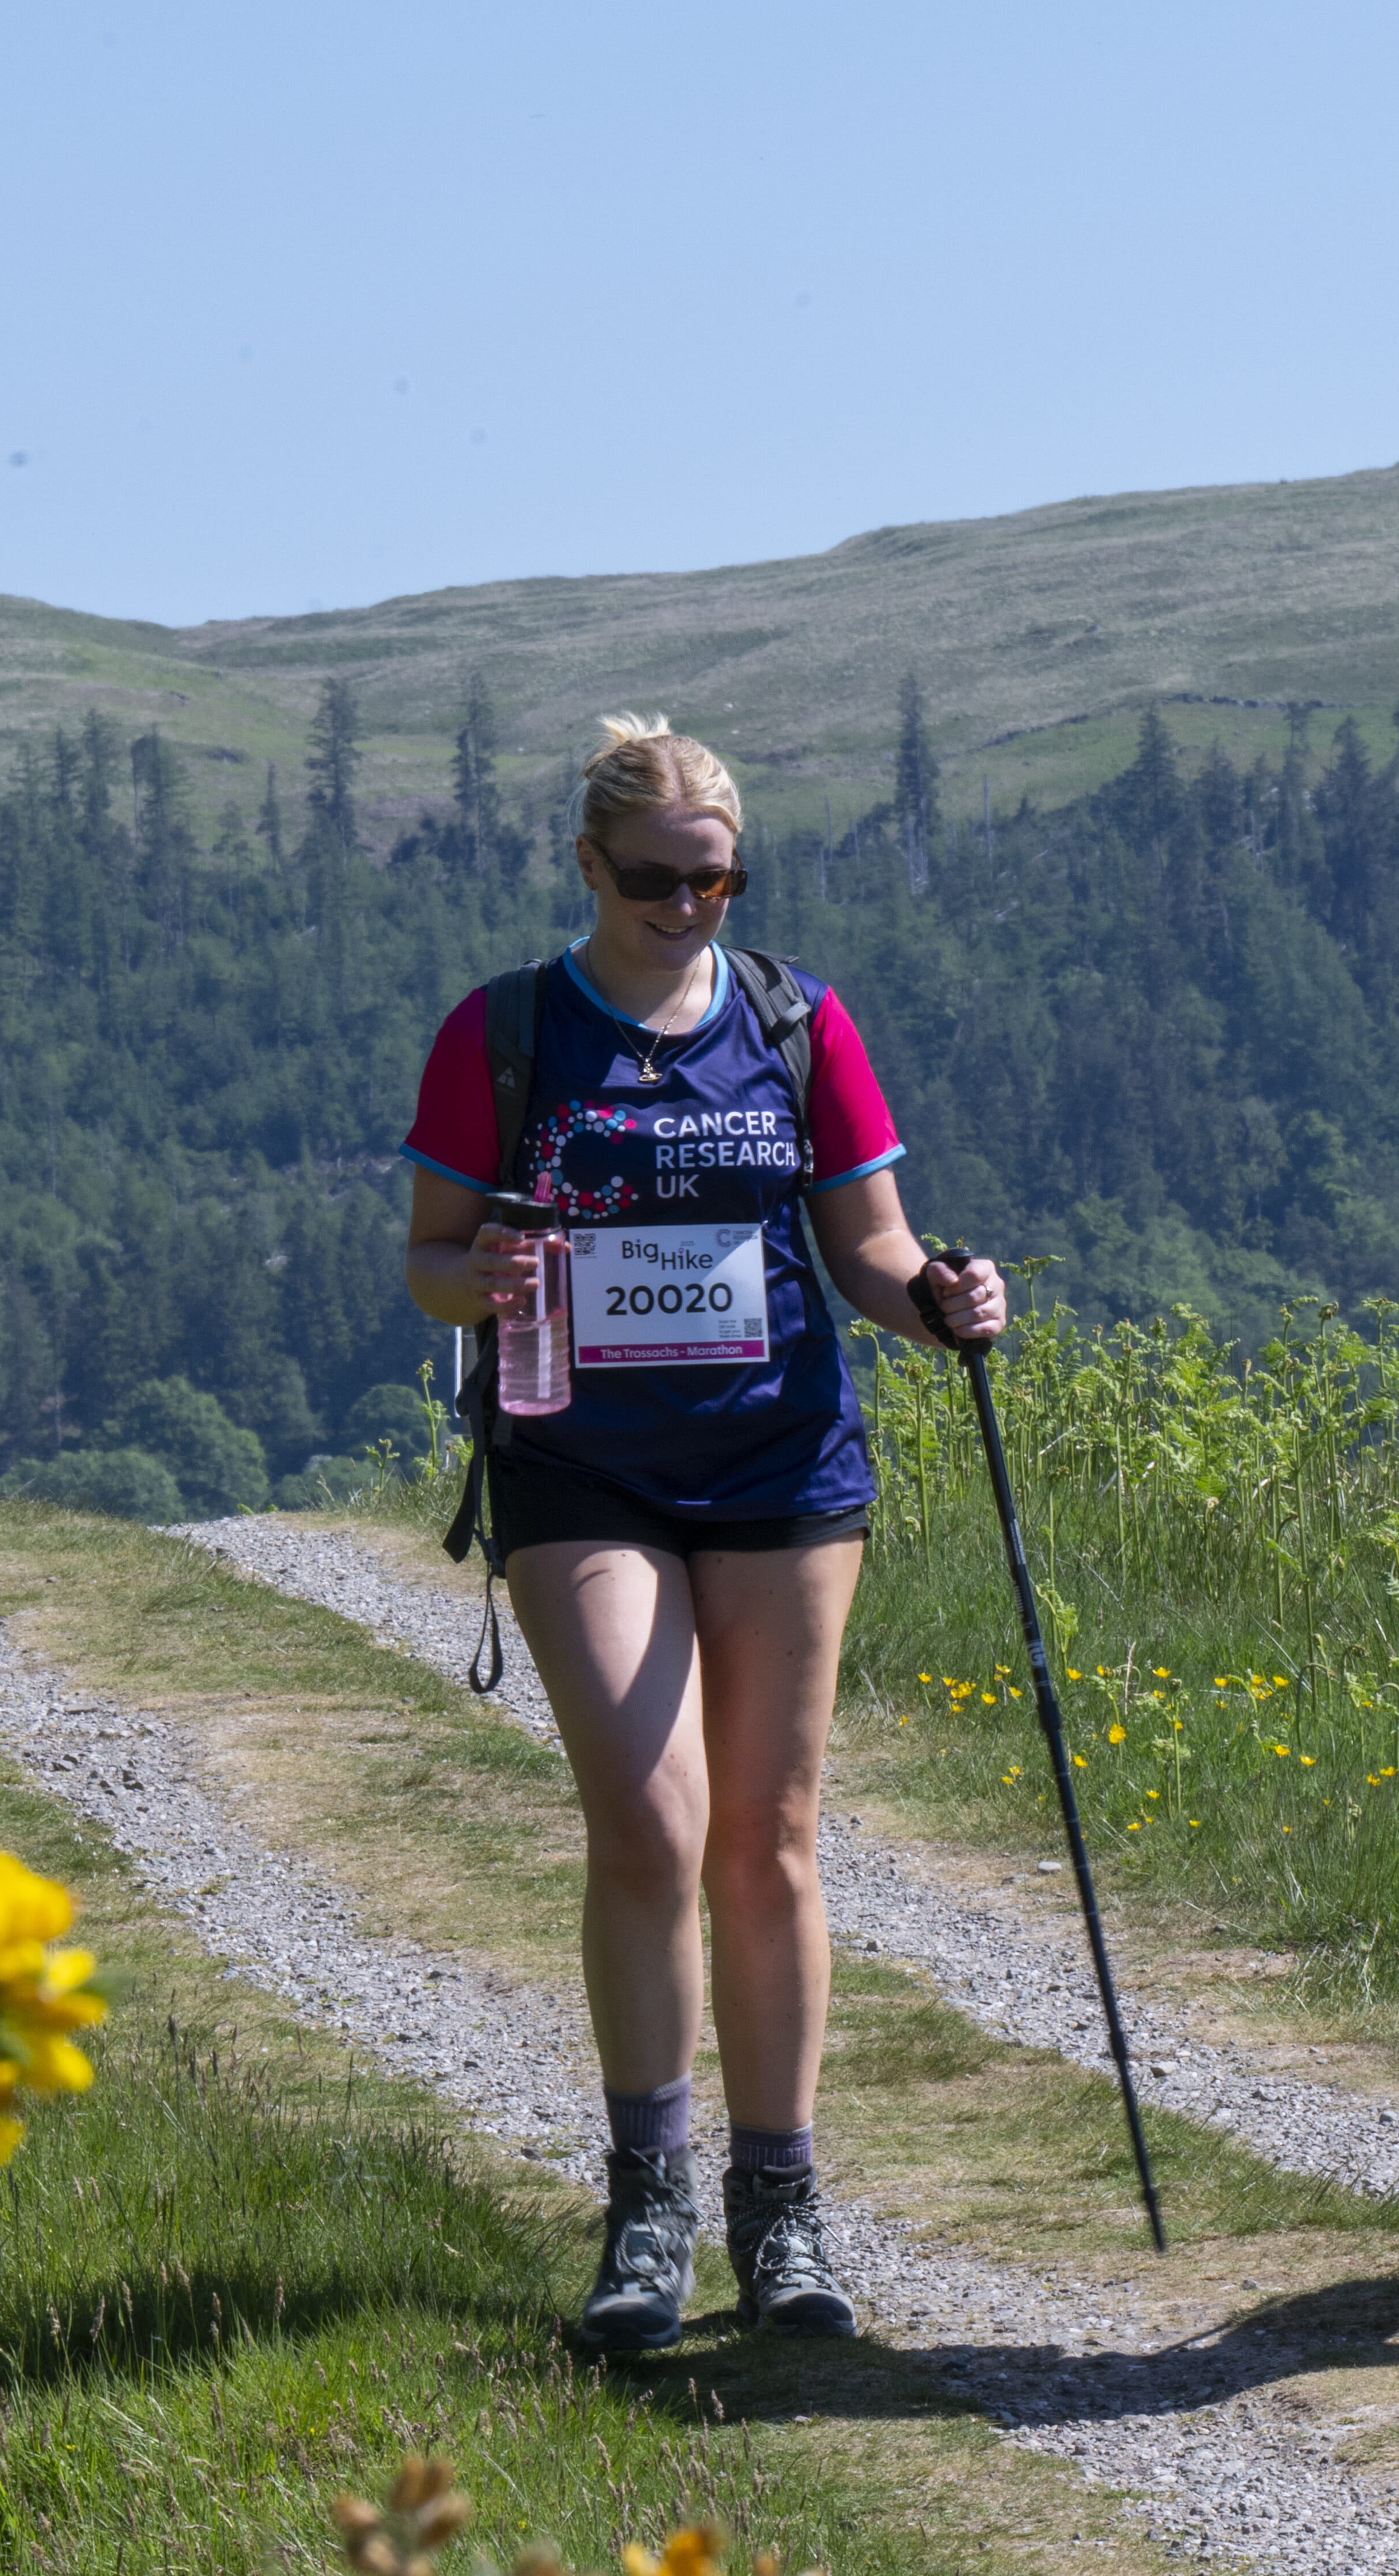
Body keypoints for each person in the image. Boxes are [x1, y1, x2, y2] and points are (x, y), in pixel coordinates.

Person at [399, 713, 1005, 2355]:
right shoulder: (509, 1032)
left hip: (783, 1467)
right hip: (581, 1470)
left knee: (770, 1841)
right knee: (652, 1827)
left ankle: (782, 2205)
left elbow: (869, 1247)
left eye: (720, 879)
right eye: (659, 880)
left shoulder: (800, 1027)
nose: (690, 909)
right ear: (590, 868)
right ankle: (649, 2202)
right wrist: (490, 1281)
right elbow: (428, 1260)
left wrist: (943, 1304)